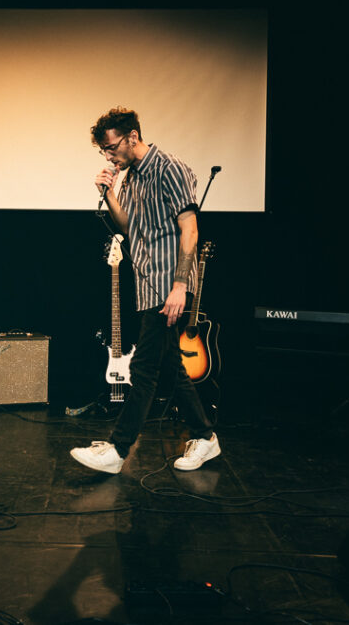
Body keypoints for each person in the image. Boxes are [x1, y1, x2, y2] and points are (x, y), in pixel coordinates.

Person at [71, 107, 220, 474]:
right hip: (147, 283)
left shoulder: (170, 168)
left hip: (170, 284)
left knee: (143, 367)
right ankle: (205, 436)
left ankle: (118, 449)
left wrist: (180, 286)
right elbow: (129, 227)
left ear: (132, 137)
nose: (109, 156)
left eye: (112, 147)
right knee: (170, 367)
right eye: (104, 151)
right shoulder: (131, 178)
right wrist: (108, 193)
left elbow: (190, 228)